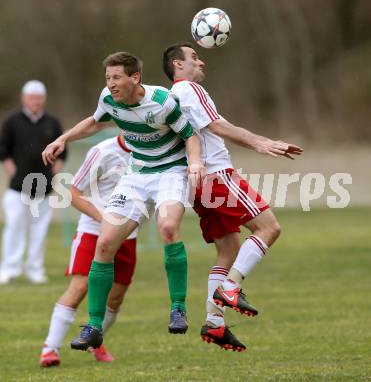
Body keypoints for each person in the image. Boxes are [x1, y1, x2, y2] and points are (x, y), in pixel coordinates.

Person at [42, 51, 205, 350]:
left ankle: (178, 307)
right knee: (104, 244)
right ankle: (93, 327)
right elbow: (94, 123)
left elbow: (190, 135)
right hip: (138, 173)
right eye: (108, 78)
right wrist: (63, 139)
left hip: (171, 169)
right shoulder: (109, 99)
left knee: (168, 227)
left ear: (135, 78)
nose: (111, 84)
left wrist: (195, 163)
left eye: (117, 77)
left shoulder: (162, 101)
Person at [163, 43, 303, 351]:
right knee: (269, 228)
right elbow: (218, 125)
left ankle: (214, 324)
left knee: (228, 252)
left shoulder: (170, 98)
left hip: (197, 184)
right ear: (177, 65)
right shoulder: (189, 89)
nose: (201, 62)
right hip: (218, 177)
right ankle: (231, 288)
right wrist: (261, 142)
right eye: (194, 58)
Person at [40, 136, 137, 367]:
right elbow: (72, 192)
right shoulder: (102, 151)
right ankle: (50, 350)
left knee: (115, 298)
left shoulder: (154, 149)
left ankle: (95, 340)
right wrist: (103, 219)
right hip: (93, 231)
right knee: (80, 286)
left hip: (128, 235)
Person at [0, 80, 67, 284]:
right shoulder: (12, 121)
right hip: (17, 188)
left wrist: (54, 172)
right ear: (24, 98)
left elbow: (62, 151)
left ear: (43, 99)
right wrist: (12, 170)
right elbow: (3, 149)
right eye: (31, 97)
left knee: (39, 230)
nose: (35, 101)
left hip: (44, 189)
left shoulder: (52, 123)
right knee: (14, 227)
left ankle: (35, 269)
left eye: (38, 98)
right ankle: (9, 268)